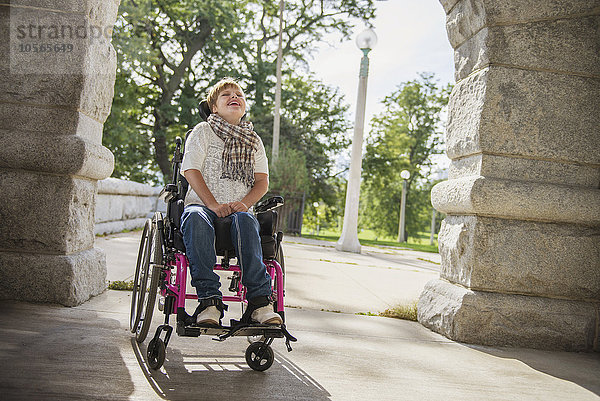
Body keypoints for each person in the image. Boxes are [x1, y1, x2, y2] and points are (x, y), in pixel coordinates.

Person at [180, 77, 282, 327]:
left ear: (244, 106)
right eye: (226, 94)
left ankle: (259, 302)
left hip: (238, 211)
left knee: (247, 219)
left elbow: (261, 182)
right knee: (195, 216)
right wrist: (213, 204)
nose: (234, 97)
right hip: (202, 207)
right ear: (213, 106)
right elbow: (191, 170)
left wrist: (245, 203)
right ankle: (209, 302)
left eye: (239, 94)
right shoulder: (202, 132)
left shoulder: (253, 140)